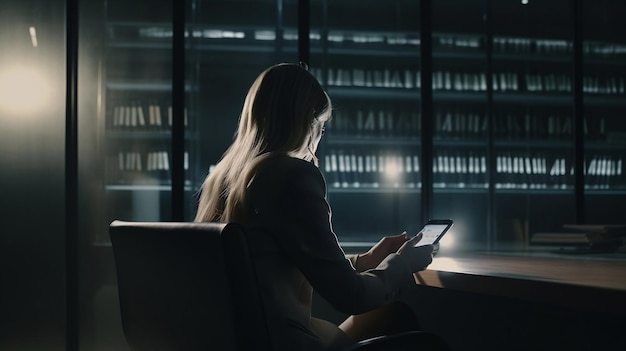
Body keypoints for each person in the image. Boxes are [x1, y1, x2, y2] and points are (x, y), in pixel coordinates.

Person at [195, 63, 443, 351]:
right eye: (321, 126)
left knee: (394, 316)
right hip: (285, 342)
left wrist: (366, 260)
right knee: (429, 343)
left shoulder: (221, 179)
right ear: (305, 123)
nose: (319, 138)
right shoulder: (290, 176)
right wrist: (404, 263)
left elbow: (285, 262)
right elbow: (351, 296)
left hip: (240, 342)